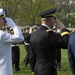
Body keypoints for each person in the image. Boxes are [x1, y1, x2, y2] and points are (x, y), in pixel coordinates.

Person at [29, 8, 70, 75]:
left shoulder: (34, 34)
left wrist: (33, 70)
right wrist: (63, 29)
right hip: (48, 70)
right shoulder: (48, 34)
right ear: (51, 20)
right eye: (54, 20)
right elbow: (66, 43)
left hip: (37, 69)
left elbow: (32, 56)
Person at [0, 8, 24, 75]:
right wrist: (13, 25)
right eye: (3, 19)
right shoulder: (1, 35)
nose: (5, 21)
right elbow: (20, 38)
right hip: (3, 71)